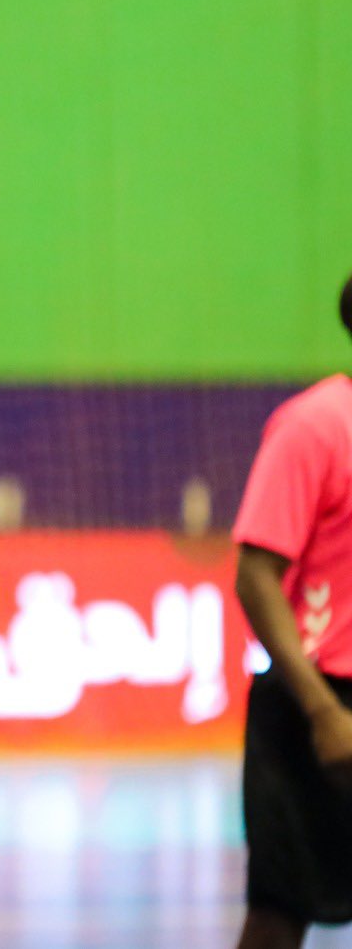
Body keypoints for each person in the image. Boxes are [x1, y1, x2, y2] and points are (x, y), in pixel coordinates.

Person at [231, 272, 352, 949]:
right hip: (316, 704)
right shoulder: (316, 426)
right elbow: (255, 576)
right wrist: (323, 711)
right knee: (280, 916)